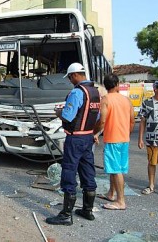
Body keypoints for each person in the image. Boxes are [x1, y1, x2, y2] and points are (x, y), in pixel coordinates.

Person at [45, 62, 100, 226]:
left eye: (70, 77)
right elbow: (97, 117)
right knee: (88, 172)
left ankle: (66, 215)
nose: (70, 80)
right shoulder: (95, 92)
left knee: (69, 172)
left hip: (75, 139)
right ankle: (87, 210)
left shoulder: (77, 93)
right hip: (88, 137)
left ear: (75, 75)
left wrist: (58, 112)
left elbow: (68, 116)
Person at [94, 73, 134, 210]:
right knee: (116, 169)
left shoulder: (105, 99)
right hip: (124, 139)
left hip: (112, 139)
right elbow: (132, 121)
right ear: (117, 85)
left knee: (116, 170)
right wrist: (126, 133)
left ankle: (120, 201)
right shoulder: (127, 100)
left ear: (105, 86)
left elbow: (102, 121)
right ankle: (111, 193)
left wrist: (94, 132)